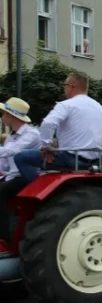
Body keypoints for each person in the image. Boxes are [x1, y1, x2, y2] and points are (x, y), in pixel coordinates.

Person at [14, 72, 102, 182]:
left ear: (71, 86)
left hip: (71, 158)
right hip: (95, 160)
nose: (64, 89)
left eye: (65, 86)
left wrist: (46, 147)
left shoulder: (66, 105)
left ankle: (38, 189)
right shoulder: (98, 107)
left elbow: (48, 123)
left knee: (21, 157)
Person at [0, 98, 41, 241]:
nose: (2, 117)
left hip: (26, 176)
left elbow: (13, 151)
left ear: (12, 116)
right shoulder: (10, 137)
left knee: (2, 192)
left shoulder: (32, 134)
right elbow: (4, 161)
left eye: (4, 114)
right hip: (12, 176)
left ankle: (5, 238)